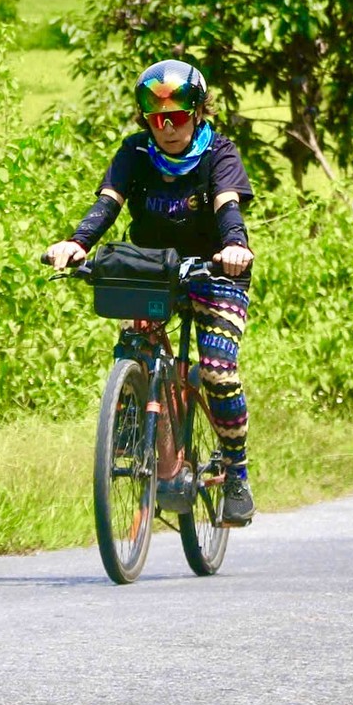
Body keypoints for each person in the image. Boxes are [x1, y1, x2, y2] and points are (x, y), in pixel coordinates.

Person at [46, 59, 258, 526]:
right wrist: (77, 243)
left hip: (215, 270)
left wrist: (235, 247)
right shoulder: (135, 152)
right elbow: (108, 204)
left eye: (177, 117)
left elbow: (228, 207)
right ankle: (133, 422)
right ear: (146, 119)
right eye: (157, 119)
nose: (168, 128)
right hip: (153, 268)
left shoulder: (219, 152)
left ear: (197, 112)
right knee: (134, 343)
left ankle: (237, 474)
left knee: (219, 372)